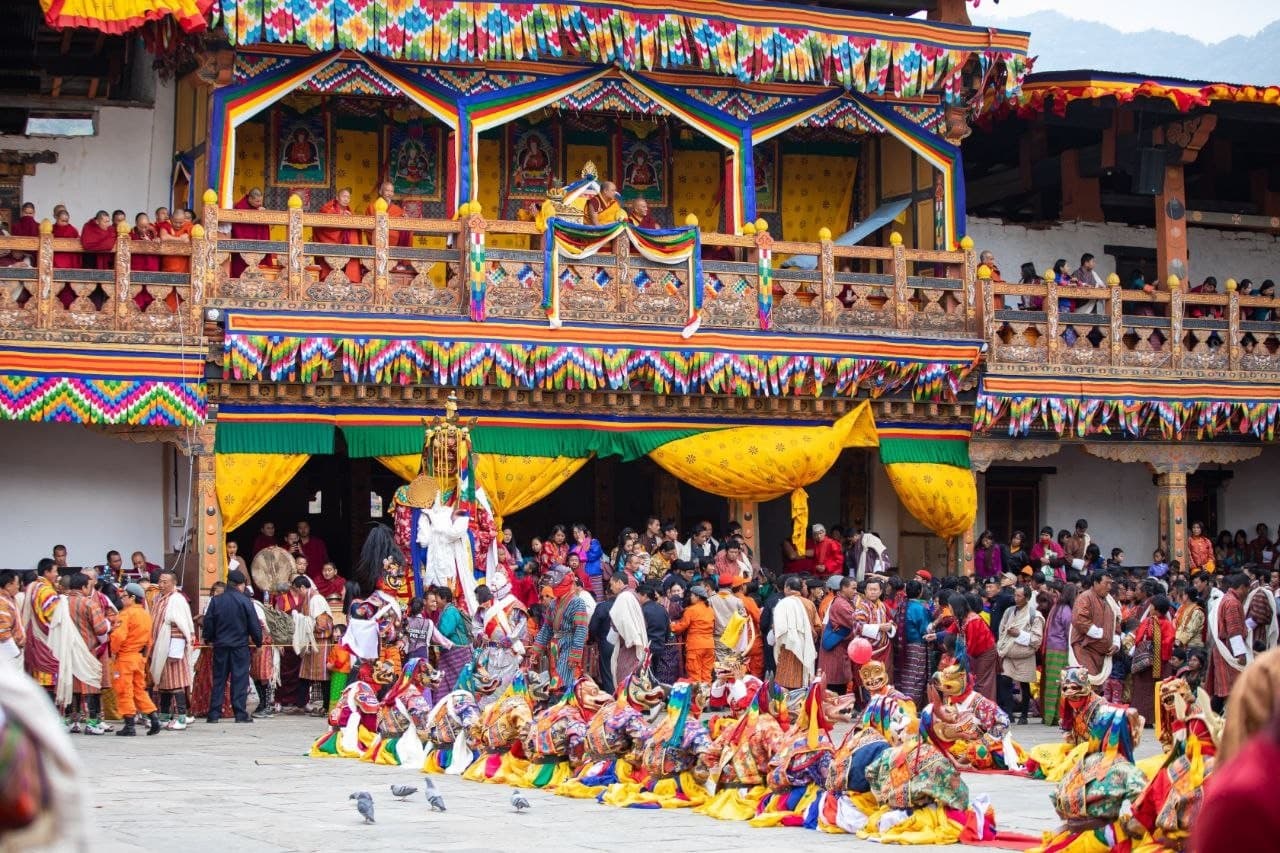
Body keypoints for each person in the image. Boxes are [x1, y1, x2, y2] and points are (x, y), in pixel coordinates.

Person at [200, 569, 263, 723]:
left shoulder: (216, 600)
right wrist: (258, 641)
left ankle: (214, 714)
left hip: (221, 645)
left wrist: (208, 638)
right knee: (239, 680)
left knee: (219, 679)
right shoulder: (245, 601)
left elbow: (209, 621)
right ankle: (240, 713)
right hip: (240, 647)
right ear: (239, 585)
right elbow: (254, 624)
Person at [527, 566, 590, 696]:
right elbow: (547, 628)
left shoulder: (577, 602)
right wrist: (536, 650)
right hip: (555, 645)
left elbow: (581, 629)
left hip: (569, 643)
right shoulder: (553, 603)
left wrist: (575, 654)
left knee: (564, 678)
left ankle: (564, 705)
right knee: (555, 673)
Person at [109, 583, 161, 736]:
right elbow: (149, 641)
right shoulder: (146, 615)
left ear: (132, 598)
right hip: (138, 659)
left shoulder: (126, 614)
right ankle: (154, 718)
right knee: (139, 690)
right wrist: (144, 658)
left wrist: (113, 651)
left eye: (124, 596)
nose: (122, 599)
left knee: (124, 690)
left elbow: (118, 636)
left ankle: (129, 725)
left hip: (125, 658)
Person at [148, 570, 195, 730]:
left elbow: (181, 625)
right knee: (162, 684)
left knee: (176, 682)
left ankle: (182, 718)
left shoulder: (177, 600)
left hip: (173, 648)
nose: (161, 585)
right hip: (160, 647)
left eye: (165, 582)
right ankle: (164, 716)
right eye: (160, 582)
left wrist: (175, 649)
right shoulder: (158, 598)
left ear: (173, 583)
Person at [65, 573, 110, 735]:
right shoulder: (89, 603)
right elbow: (101, 628)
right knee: (90, 687)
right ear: (84, 587)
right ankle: (91, 724)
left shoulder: (61, 602)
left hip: (67, 652)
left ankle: (70, 722)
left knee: (72, 687)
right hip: (87, 651)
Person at [996, 584, 1043, 724]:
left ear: (1027, 598)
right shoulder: (1009, 611)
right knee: (1005, 681)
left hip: (1025, 655)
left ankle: (1023, 715)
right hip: (1008, 654)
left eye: (1019, 596)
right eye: (1014, 595)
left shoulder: (1035, 615)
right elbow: (1002, 629)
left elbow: (1036, 639)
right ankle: (1009, 714)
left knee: (1024, 684)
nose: (1015, 598)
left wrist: (1019, 634)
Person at [1070, 571, 1121, 691]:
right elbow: (1079, 619)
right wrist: (1102, 634)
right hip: (1085, 649)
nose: (1109, 587)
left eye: (1110, 584)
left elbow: (1116, 623)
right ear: (1095, 583)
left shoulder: (1110, 602)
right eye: (1106, 583)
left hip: (1101, 654)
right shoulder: (1085, 597)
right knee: (1085, 687)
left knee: (1096, 689)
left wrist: (1115, 643)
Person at [1208, 573, 1251, 713]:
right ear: (1243, 587)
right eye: (1248, 589)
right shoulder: (1232, 602)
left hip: (1223, 649)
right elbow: (1234, 630)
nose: (1248, 593)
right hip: (1229, 652)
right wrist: (1241, 654)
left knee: (1222, 692)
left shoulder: (1225, 599)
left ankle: (1209, 722)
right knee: (1233, 690)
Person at [289, 575, 333, 713]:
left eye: (297, 590)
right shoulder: (308, 598)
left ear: (303, 587)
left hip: (320, 642)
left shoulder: (317, 599)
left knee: (323, 676)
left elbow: (322, 624)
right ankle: (301, 703)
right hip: (311, 641)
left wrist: (305, 624)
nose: (297, 594)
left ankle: (326, 705)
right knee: (304, 674)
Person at [1130, 593, 1174, 723]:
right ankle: (1157, 718)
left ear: (1155, 609)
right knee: (1158, 689)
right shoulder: (1167, 624)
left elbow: (1138, 640)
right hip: (1160, 663)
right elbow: (1169, 641)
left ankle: (1142, 717)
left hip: (1145, 663)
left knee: (1142, 690)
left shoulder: (1147, 622)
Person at [770, 576, 818, 690]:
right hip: (805, 646)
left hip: (787, 648)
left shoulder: (783, 604)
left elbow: (778, 630)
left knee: (785, 684)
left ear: (787, 588)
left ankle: (786, 706)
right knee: (803, 682)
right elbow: (818, 626)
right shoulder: (809, 604)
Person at [22, 558, 61, 697]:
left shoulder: (33, 587)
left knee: (38, 681)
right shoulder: (47, 591)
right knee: (50, 679)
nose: (57, 574)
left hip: (35, 640)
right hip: (47, 641)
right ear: (47, 572)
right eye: (55, 571)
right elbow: (56, 618)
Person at [608, 574, 649, 689]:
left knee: (625, 677)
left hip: (629, 643)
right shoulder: (632, 594)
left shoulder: (624, 597)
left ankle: (627, 704)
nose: (611, 588)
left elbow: (622, 621)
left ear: (619, 582)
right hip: (633, 640)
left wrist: (630, 637)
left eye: (612, 584)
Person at [816, 576, 856, 693]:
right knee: (834, 692)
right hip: (835, 650)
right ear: (843, 588)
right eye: (853, 588)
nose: (855, 592)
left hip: (839, 648)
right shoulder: (840, 604)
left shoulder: (843, 602)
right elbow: (856, 624)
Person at [314, 188, 364, 282]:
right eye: (344, 196)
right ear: (337, 197)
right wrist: (341, 218)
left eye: (348, 197)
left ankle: (351, 276)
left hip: (344, 244)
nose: (346, 199)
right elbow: (323, 224)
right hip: (329, 241)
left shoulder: (349, 211)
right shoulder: (328, 208)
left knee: (353, 232)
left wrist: (350, 220)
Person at [671, 583, 715, 684]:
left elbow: (681, 627)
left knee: (695, 677)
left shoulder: (691, 610)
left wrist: (671, 626)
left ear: (698, 597)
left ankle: (696, 699)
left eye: (692, 595)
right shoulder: (710, 610)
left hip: (695, 647)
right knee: (707, 676)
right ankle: (706, 698)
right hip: (709, 646)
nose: (690, 597)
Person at [230, 187, 272, 278]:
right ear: (250, 198)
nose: (260, 203)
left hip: (258, 246)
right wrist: (243, 244)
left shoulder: (259, 208)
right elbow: (237, 228)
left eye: (261, 201)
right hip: (242, 245)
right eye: (257, 201)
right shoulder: (239, 208)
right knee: (240, 270)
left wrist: (262, 214)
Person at [365, 181, 411, 250]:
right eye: (387, 190)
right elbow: (367, 227)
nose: (389, 193)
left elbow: (405, 230)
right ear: (381, 192)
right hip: (376, 246)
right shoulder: (372, 207)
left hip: (393, 248)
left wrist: (406, 220)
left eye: (391, 191)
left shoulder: (397, 210)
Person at [0, 569, 25, 672]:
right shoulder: (3, 602)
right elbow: (3, 631)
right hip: (9, 653)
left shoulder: (9, 599)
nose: (18, 587)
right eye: (17, 584)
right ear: (8, 585)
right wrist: (14, 652)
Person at [157, 207, 192, 273]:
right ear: (171, 219)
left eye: (181, 222)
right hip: (167, 266)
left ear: (184, 220)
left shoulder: (188, 226)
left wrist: (171, 238)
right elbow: (164, 237)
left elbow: (189, 239)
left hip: (183, 269)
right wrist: (180, 239)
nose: (178, 225)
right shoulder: (166, 224)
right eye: (175, 222)